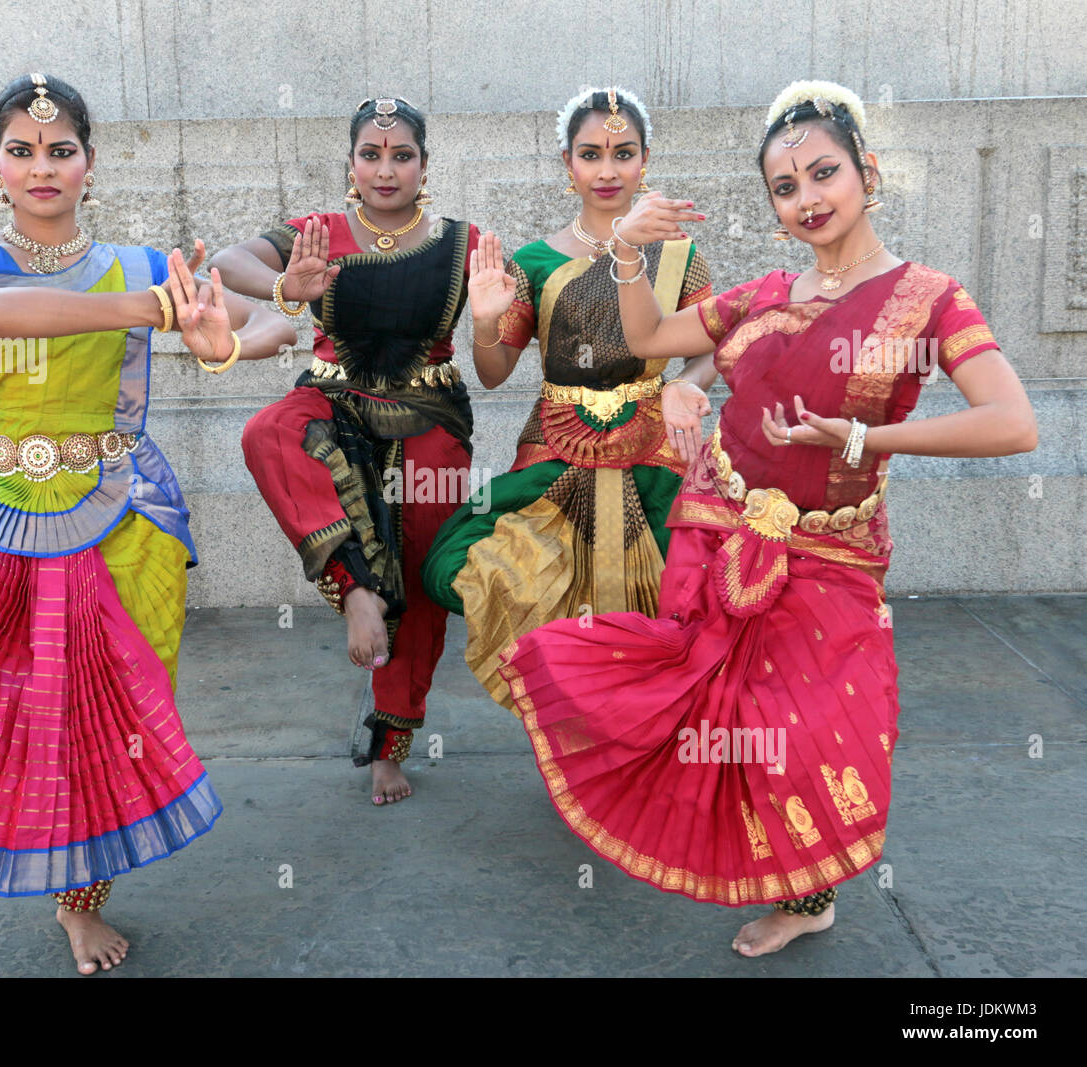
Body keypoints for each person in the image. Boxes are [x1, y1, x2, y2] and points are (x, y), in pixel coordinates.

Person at [496, 80, 1038, 957]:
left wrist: (867, 433)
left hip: (831, 551)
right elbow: (650, 339)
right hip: (723, 528)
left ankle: (810, 891)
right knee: (716, 708)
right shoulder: (763, 293)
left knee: (815, 727)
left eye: (824, 173)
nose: (807, 200)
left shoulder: (929, 299)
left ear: (867, 171)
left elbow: (1013, 422)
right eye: (785, 189)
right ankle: (798, 887)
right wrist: (630, 257)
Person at [0, 73, 293, 975]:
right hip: (6, 524)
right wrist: (157, 311)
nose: (42, 166)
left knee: (107, 729)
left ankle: (81, 905)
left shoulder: (146, 266)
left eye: (60, 149)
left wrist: (253, 322)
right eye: (22, 150)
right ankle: (26, 850)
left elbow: (241, 332)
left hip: (129, 525)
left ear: (88, 164)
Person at [209, 97, 480, 806]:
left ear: (424, 165)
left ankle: (390, 743)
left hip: (427, 410)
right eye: (371, 154)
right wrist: (280, 288)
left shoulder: (462, 241)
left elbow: (510, 331)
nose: (385, 170)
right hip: (336, 397)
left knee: (421, 575)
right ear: (351, 164)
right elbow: (228, 261)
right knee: (267, 431)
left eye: (402, 155)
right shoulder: (317, 233)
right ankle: (356, 587)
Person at [422, 87, 713, 708]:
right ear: (567, 164)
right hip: (557, 447)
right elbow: (495, 371)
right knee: (472, 570)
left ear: (645, 160)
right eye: (591, 154)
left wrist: (683, 386)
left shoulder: (681, 256)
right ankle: (577, 736)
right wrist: (481, 321)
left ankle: (646, 747)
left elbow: (715, 341)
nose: (607, 170)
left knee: (680, 598)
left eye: (623, 153)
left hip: (656, 446)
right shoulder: (534, 261)